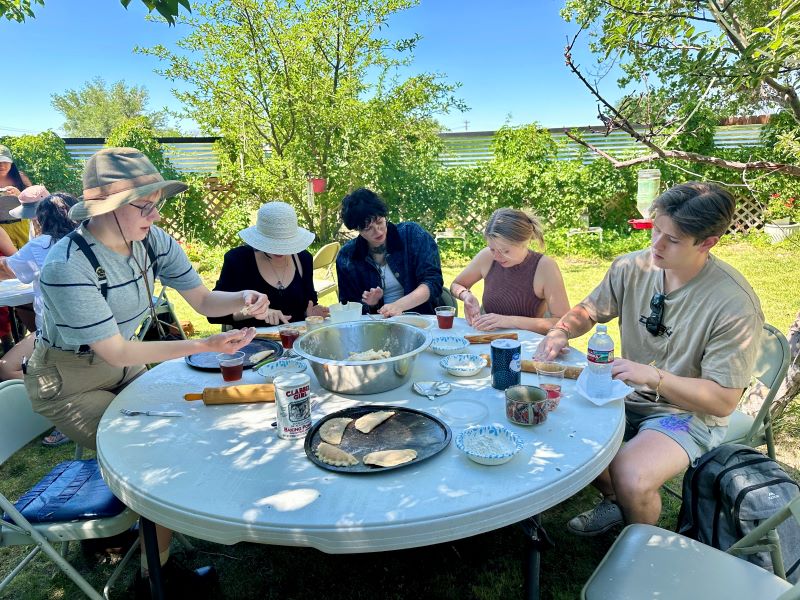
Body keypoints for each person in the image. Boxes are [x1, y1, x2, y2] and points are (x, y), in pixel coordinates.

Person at [24, 147, 271, 595]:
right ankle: (151, 581)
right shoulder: (66, 265)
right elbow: (116, 351)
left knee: (185, 428)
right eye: (146, 205)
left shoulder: (152, 241)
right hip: (68, 381)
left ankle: (148, 556)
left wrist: (243, 298)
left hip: (122, 365)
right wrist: (204, 345)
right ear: (108, 207)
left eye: (158, 204)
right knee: (155, 456)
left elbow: (202, 301)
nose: (155, 216)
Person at [536, 182, 764, 536]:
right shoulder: (633, 267)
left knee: (632, 474)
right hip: (627, 394)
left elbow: (722, 401)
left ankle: (640, 548)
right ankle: (619, 500)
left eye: (671, 240)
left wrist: (652, 376)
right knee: (558, 424)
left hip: (687, 414)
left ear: (707, 243)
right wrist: (562, 329)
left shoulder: (733, 304)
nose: (655, 245)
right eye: (655, 229)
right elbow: (590, 310)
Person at [0, 190, 77, 448]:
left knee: (7, 367)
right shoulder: (87, 241)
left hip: (56, 332)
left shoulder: (40, 244)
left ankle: (65, 413)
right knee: (28, 314)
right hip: (92, 328)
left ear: (40, 219)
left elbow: (10, 269)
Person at [209, 201, 329, 327]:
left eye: (286, 244)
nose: (280, 250)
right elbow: (213, 313)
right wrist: (255, 312)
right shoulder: (238, 260)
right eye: (273, 244)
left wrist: (310, 313)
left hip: (296, 339)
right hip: (254, 341)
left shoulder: (303, 259)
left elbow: (309, 303)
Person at [449, 208, 570, 333]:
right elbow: (456, 285)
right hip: (487, 341)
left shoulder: (545, 266)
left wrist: (508, 321)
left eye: (505, 251)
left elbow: (564, 322)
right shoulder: (487, 257)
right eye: (492, 249)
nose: (496, 256)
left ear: (525, 241)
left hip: (528, 345)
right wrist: (466, 295)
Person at [336, 187, 444, 316]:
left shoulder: (412, 235)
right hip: (375, 328)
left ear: (384, 216)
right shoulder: (347, 256)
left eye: (380, 222)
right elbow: (347, 307)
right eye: (368, 228)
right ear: (357, 229)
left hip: (419, 318)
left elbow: (433, 281)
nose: (378, 231)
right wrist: (370, 304)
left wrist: (399, 306)